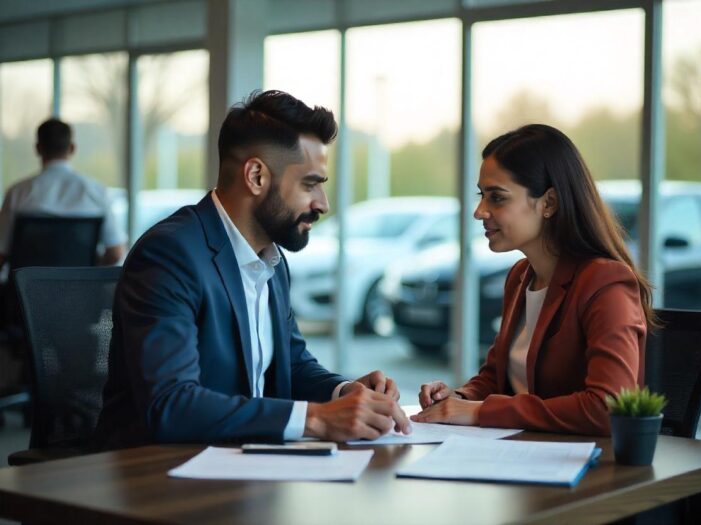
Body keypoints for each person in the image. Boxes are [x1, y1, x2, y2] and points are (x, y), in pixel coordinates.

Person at [94, 90, 410, 450]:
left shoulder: (272, 259)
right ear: (257, 176)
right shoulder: (170, 255)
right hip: (156, 472)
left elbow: (291, 362)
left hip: (242, 465)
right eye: (310, 184)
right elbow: (172, 404)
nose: (322, 204)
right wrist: (317, 419)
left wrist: (342, 391)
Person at [412, 124, 653, 436]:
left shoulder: (605, 282)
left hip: (585, 469)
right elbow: (496, 377)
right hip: (521, 456)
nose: (479, 211)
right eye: (481, 195)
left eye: (497, 197)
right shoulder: (520, 276)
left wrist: (481, 411)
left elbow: (607, 406)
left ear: (549, 203)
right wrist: (459, 398)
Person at [0, 118, 126, 268]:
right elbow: (116, 252)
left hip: (25, 289)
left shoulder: (17, 193)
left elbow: (1, 252)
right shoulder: (96, 191)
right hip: (78, 289)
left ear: (38, 148)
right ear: (72, 148)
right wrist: (88, 271)